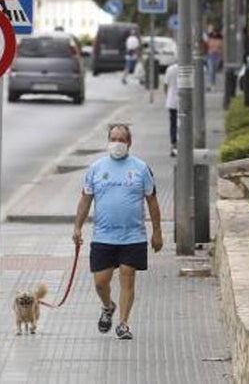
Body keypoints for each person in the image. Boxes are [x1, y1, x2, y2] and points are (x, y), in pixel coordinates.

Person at [72, 124, 163, 340]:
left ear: (129, 143)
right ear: (108, 141)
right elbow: (86, 199)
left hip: (133, 236)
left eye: (122, 139)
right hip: (103, 236)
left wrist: (157, 232)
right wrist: (77, 227)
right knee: (100, 282)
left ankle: (123, 323)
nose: (117, 143)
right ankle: (107, 306)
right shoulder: (96, 168)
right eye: (113, 139)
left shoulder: (141, 168)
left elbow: (152, 201)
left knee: (127, 277)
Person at [164, 62, 179, 156]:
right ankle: (180, 145)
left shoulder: (171, 69)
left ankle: (173, 145)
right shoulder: (190, 69)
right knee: (183, 124)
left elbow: (165, 84)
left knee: (173, 124)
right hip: (186, 102)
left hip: (172, 101)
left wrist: (167, 95)